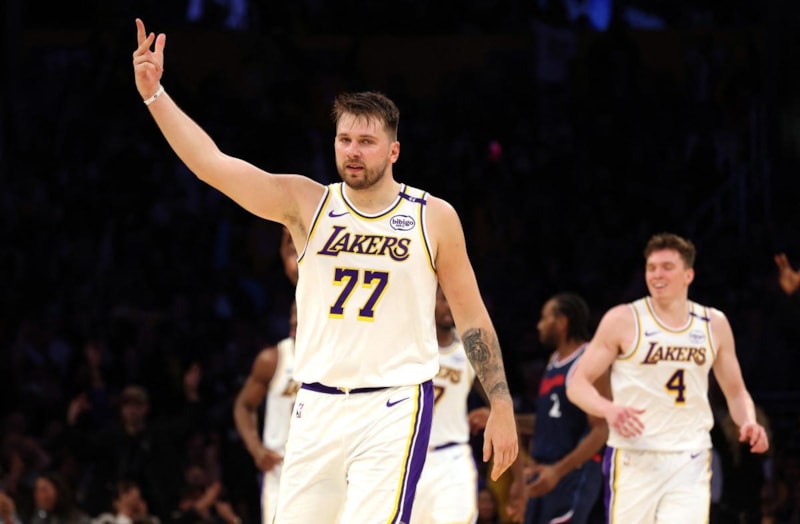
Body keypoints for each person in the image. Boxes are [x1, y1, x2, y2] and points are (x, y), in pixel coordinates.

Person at [132, 19, 517, 523]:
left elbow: (471, 316)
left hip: (393, 405)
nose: (353, 151)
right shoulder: (307, 203)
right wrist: (154, 93)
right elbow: (212, 164)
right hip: (314, 404)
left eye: (366, 141)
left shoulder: (433, 216)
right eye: (344, 139)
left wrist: (502, 403)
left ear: (394, 151)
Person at [566, 232, 769, 523]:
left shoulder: (714, 324)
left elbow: (736, 392)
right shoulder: (623, 319)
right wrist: (608, 409)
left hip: (690, 458)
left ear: (688, 275)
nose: (657, 275)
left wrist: (748, 421)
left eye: (667, 267)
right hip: (635, 457)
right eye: (651, 268)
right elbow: (576, 383)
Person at [508, 293, 608, 524]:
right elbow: (548, 422)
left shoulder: (589, 359)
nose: (539, 325)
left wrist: (559, 471)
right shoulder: (554, 361)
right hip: (545, 472)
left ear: (562, 322)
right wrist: (503, 420)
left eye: (545, 318)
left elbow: (601, 429)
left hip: (574, 474)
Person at [410, 286, 489, 524]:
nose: (449, 305)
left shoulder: (471, 350)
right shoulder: (409, 344)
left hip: (452, 457)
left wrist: (492, 412)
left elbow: (502, 406)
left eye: (453, 299)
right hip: (407, 456)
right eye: (443, 299)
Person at [232, 301, 298, 524]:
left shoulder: (334, 360)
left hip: (322, 467)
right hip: (280, 469)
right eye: (292, 313)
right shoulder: (273, 360)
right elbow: (243, 405)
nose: (293, 320)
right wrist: (256, 449)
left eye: (300, 312)